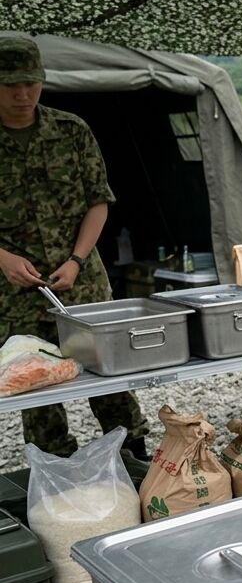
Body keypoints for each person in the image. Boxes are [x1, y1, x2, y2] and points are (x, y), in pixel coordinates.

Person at [0, 36, 151, 460]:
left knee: (107, 371)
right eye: (11, 84)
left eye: (31, 83)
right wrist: (4, 259)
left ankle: (133, 457)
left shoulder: (70, 130)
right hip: (15, 292)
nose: (23, 94)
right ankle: (55, 472)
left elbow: (98, 201)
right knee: (33, 384)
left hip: (80, 280)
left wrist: (76, 259)